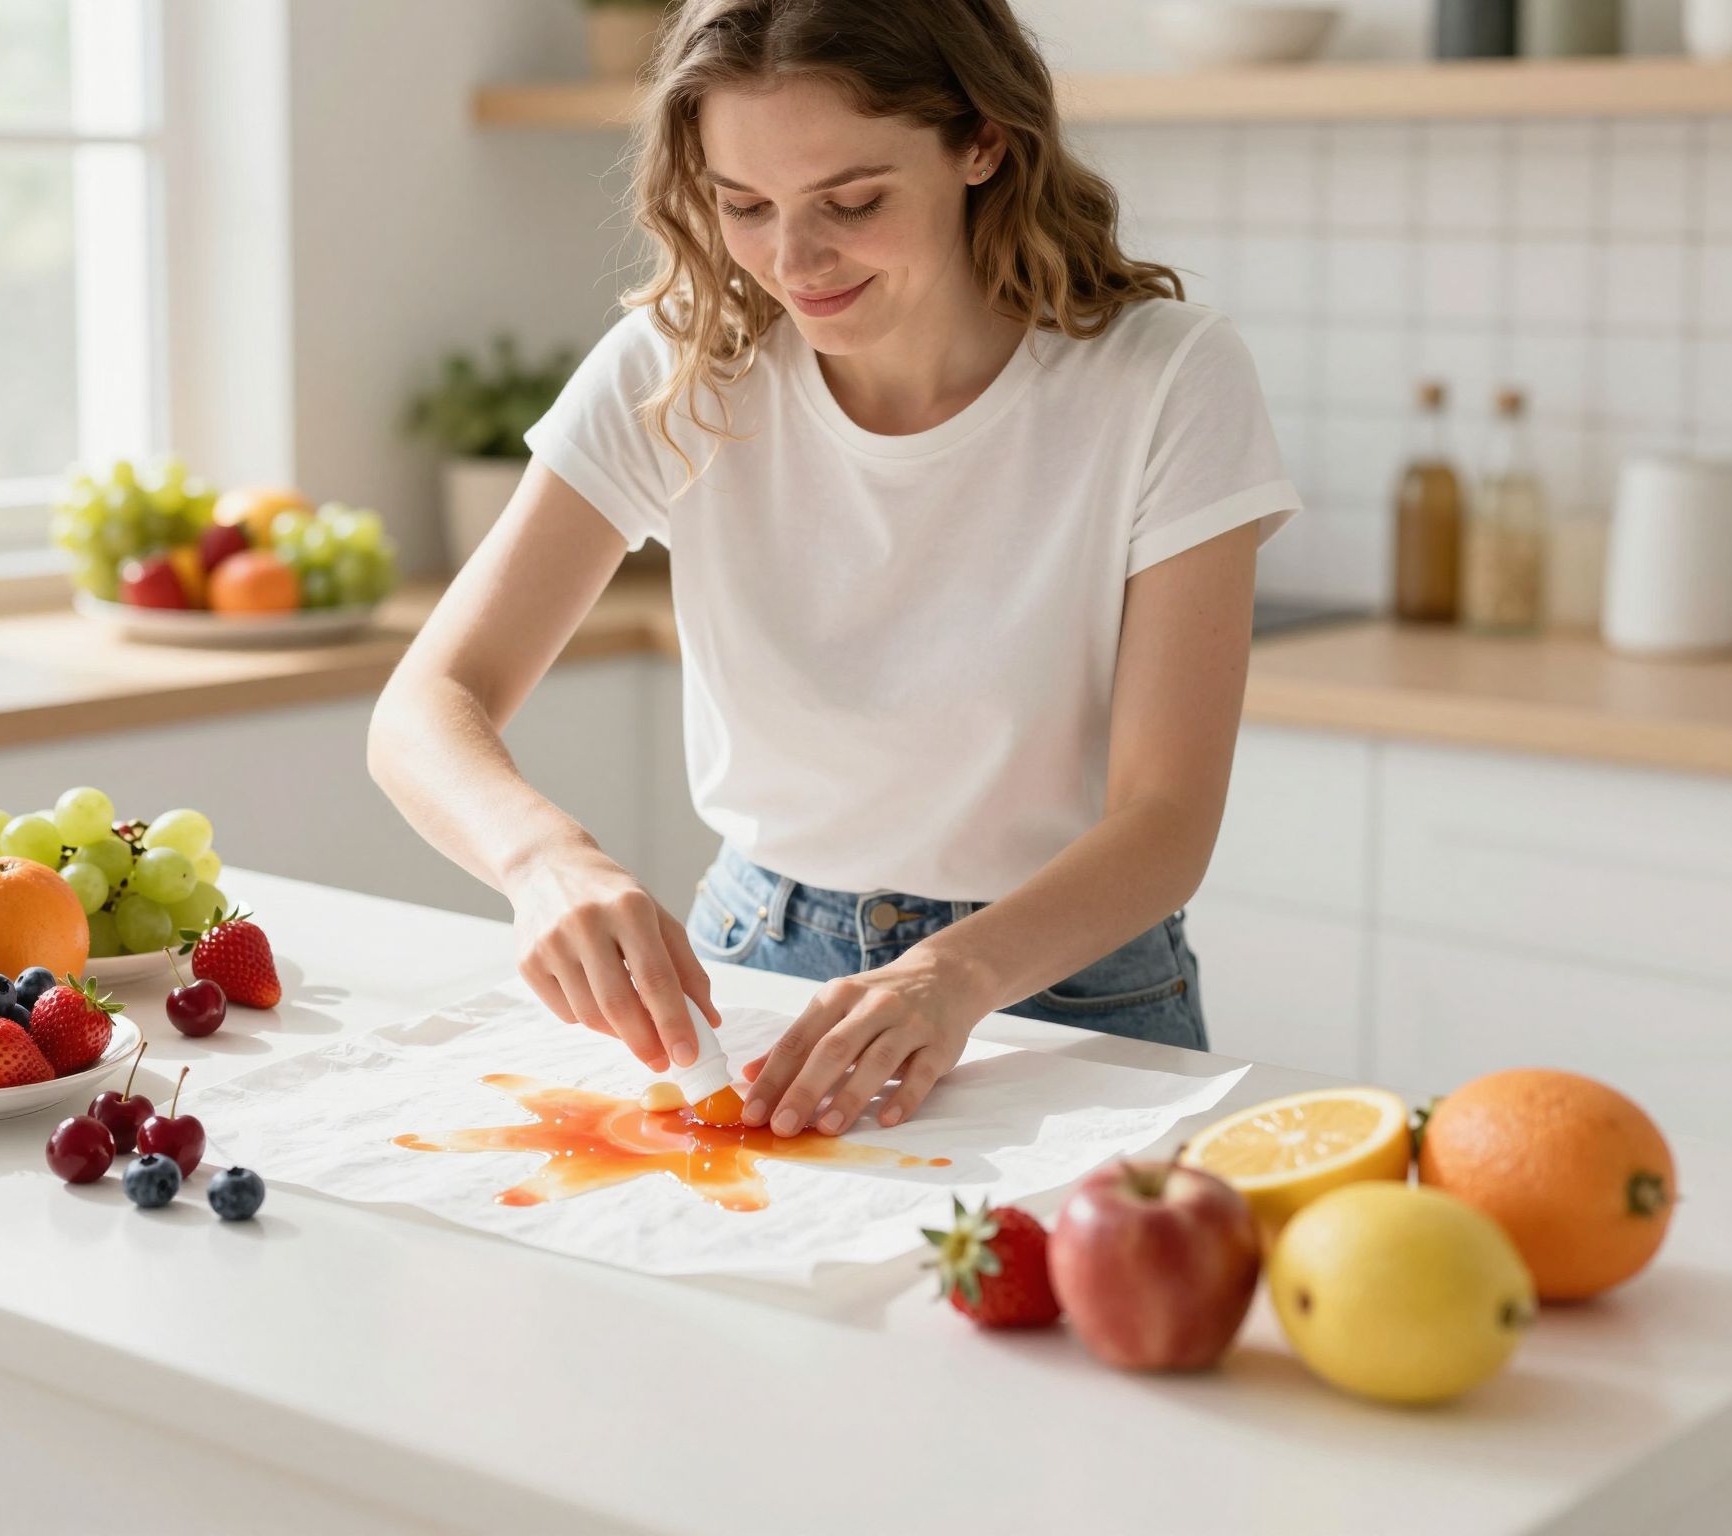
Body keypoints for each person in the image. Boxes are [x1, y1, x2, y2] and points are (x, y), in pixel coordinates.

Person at [369, 0, 1301, 1143]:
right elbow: (424, 708)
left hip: (1068, 986)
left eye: (850, 203)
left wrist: (952, 978)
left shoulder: (1163, 379)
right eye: (742, 206)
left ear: (981, 141)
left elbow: (1164, 819)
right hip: (757, 962)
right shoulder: (680, 369)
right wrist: (542, 860)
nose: (791, 262)